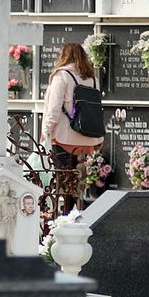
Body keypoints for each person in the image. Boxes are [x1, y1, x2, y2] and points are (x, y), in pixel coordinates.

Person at [43, 42, 105, 211]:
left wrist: (46, 131)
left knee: (63, 182)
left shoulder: (61, 76)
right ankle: (78, 212)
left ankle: (64, 218)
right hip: (88, 138)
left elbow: (54, 109)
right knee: (79, 182)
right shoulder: (93, 79)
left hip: (65, 138)